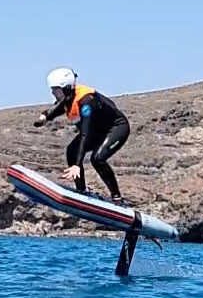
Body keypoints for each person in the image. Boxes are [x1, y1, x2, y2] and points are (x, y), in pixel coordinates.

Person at [35, 67, 131, 205]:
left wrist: (76, 166)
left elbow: (85, 134)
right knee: (71, 151)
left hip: (116, 129)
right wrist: (46, 116)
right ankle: (82, 192)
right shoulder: (69, 96)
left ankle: (117, 198)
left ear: (66, 88)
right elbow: (61, 107)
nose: (52, 92)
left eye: (55, 89)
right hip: (98, 131)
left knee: (97, 159)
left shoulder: (86, 101)